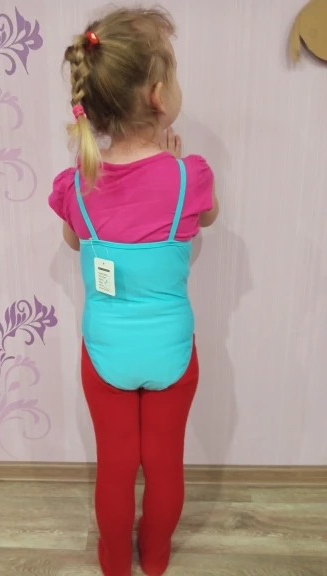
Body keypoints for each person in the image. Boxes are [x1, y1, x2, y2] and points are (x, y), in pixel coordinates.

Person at [49, 7, 219, 576]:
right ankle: (157, 556)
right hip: (173, 349)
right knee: (165, 465)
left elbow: (74, 241)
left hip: (106, 351)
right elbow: (207, 218)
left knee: (116, 466)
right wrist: (171, 167)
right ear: (157, 95)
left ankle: (113, 562)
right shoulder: (190, 177)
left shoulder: (78, 183)